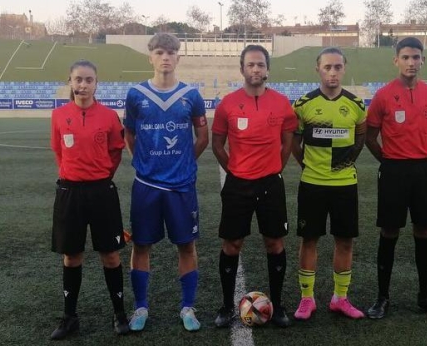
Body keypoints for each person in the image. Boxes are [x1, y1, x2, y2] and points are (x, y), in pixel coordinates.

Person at [123, 33, 209, 332]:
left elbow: (202, 138)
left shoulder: (192, 95)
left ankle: (187, 307)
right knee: (142, 245)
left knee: (186, 246)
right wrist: (144, 162)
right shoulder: (135, 95)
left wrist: (184, 162)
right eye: (160, 52)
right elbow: (130, 134)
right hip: (146, 185)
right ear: (150, 57)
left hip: (181, 185)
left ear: (178, 57)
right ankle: (141, 307)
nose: (166, 57)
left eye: (171, 52)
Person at [364, 37, 427, 320]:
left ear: (423, 60)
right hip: (393, 171)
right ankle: (382, 298)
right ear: (396, 60)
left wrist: (423, 155)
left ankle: (425, 298)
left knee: (424, 230)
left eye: (416, 57)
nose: (411, 62)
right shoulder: (383, 95)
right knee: (389, 231)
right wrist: (390, 160)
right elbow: (369, 137)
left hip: (424, 171)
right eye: (405, 57)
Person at [211, 44, 298, 328]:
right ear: (242, 69)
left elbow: (287, 143)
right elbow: (217, 144)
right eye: (250, 64)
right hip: (238, 185)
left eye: (260, 64)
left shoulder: (282, 103)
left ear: (267, 69)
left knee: (274, 242)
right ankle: (225, 306)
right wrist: (235, 171)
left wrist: (275, 168)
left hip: (270, 183)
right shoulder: (227, 104)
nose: (256, 69)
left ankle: (279, 304)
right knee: (232, 243)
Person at [49, 60, 129, 340]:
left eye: (89, 80)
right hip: (70, 193)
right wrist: (72, 175)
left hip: (101, 192)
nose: (83, 85)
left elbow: (116, 151)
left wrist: (101, 176)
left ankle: (119, 313)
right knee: (71, 255)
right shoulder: (59, 115)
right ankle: (70, 317)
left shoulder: (109, 117)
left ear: (97, 83)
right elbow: (58, 151)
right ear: (70, 82)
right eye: (78, 79)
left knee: (110, 254)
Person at [290, 47, 367, 321]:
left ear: (344, 68)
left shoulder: (356, 105)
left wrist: (344, 164)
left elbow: (360, 137)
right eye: (327, 67)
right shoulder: (303, 105)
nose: (332, 72)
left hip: (345, 183)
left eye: (337, 67)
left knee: (344, 241)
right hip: (312, 183)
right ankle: (307, 299)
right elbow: (294, 143)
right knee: (309, 239)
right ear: (318, 69)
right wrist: (307, 165)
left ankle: (340, 298)